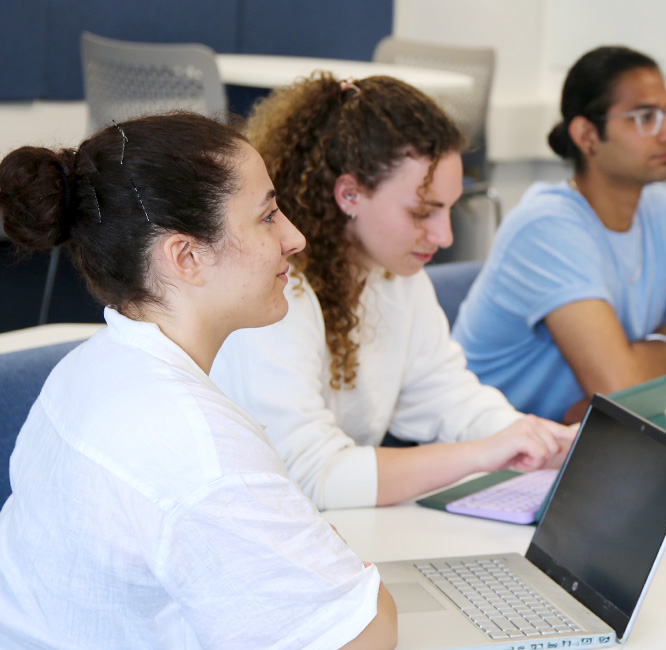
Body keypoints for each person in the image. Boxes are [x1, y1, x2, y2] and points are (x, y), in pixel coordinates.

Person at [0, 113, 396, 649]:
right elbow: (363, 633)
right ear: (185, 256)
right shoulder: (198, 449)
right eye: (268, 216)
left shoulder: (88, 367)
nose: (295, 237)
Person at [211, 74, 575, 510]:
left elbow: (446, 397)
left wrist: (533, 439)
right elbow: (310, 478)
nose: (443, 236)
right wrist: (481, 453)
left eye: (449, 209)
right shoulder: (275, 290)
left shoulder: (396, 279)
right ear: (350, 194)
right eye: (423, 211)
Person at [453, 46, 666, 424]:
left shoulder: (664, 211)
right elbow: (617, 388)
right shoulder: (547, 227)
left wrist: (636, 386)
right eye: (644, 117)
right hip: (488, 456)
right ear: (587, 135)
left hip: (575, 442)